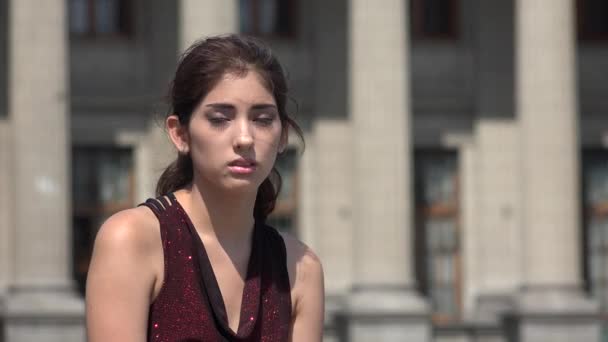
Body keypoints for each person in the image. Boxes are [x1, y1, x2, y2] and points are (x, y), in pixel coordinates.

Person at [85, 34, 324, 341]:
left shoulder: (300, 267)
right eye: (220, 119)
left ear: (282, 137)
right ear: (180, 134)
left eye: (262, 119)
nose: (245, 138)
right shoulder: (132, 239)